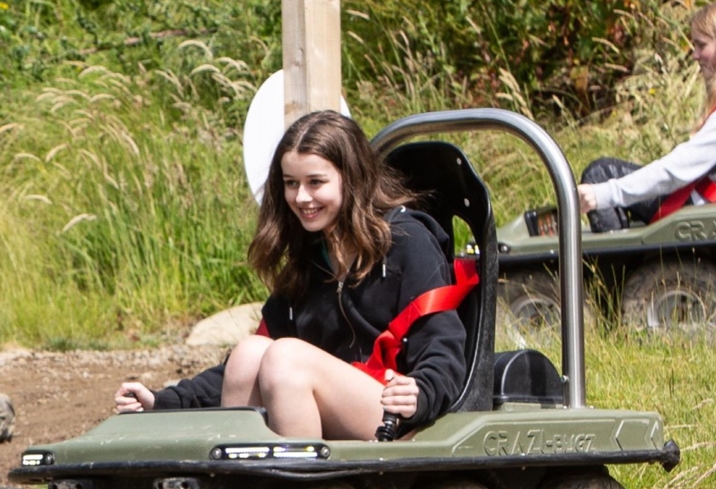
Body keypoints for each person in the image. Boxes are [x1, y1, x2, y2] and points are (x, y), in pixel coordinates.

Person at [115, 110, 468, 440]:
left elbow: (445, 353)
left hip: (400, 416)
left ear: (353, 179)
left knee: (285, 360)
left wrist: (421, 392)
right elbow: (237, 371)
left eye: (316, 182)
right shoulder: (312, 258)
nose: (301, 197)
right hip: (338, 403)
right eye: (290, 183)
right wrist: (163, 402)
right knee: (250, 353)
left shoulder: (409, 243)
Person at [577, 0, 716, 232]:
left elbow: (678, 170)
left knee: (600, 174)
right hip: (711, 199)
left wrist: (603, 194)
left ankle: (621, 268)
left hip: (703, 209)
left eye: (701, 45)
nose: (695, 55)